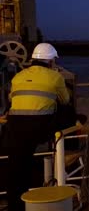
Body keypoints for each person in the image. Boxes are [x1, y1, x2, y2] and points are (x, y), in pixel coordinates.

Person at [4, 43, 70, 211]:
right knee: (69, 113)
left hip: (15, 127)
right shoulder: (55, 77)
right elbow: (65, 101)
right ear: (50, 62)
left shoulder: (18, 76)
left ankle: (16, 205)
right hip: (41, 127)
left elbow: (12, 100)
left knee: (17, 168)